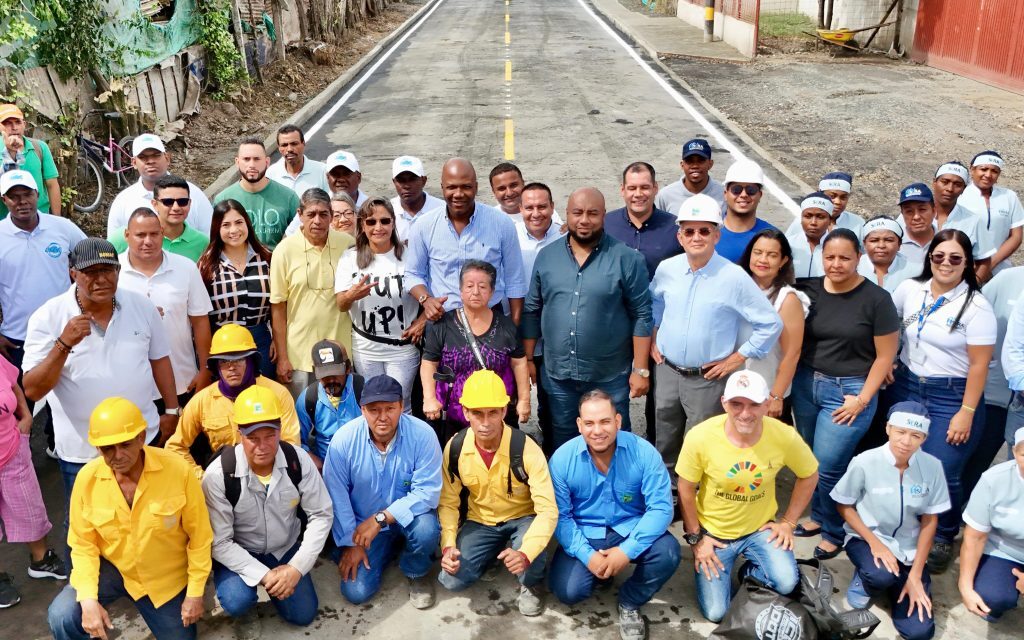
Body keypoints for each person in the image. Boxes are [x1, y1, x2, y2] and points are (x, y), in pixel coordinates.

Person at [22, 238, 179, 496]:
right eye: (90, 272)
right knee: (88, 530)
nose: (101, 280)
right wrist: (63, 343)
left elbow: (160, 359)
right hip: (83, 453)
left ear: (118, 271)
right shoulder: (48, 316)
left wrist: (172, 410)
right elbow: (33, 390)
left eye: (107, 270)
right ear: (73, 274)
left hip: (141, 441)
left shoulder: (141, 306)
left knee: (152, 520)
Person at [47, 397, 212, 640]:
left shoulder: (177, 470)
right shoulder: (86, 480)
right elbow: (83, 545)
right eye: (107, 449)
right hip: (114, 570)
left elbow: (200, 537)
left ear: (142, 438)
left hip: (164, 580)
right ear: (97, 449)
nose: (118, 455)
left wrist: (195, 593)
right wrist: (88, 600)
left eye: (125, 445)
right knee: (62, 614)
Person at [888, 229, 996, 574]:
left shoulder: (977, 307)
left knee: (945, 470)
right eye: (939, 256)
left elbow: (979, 365)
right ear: (929, 258)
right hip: (906, 385)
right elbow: (892, 329)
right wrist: (890, 359)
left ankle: (944, 533)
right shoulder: (909, 289)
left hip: (951, 395)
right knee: (902, 458)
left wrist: (966, 412)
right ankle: (903, 519)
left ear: (967, 264)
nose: (945, 264)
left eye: (955, 258)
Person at [650, 194, 781, 469]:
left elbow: (770, 323)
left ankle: (696, 494)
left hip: (707, 378)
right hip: (667, 370)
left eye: (704, 230)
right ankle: (669, 490)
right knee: (665, 434)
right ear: (680, 237)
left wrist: (736, 359)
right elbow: (655, 304)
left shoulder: (733, 277)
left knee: (702, 439)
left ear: (717, 235)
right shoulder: (667, 270)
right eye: (689, 231)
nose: (696, 237)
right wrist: (654, 337)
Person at [791, 229, 900, 560]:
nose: (836, 264)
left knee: (829, 466)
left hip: (850, 392)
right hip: (807, 385)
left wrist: (863, 399)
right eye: (830, 257)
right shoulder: (806, 290)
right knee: (811, 460)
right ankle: (819, 517)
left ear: (859, 258)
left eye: (844, 258)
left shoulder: (877, 300)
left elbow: (885, 357)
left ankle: (834, 530)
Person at [677, 370, 818, 622]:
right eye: (736, 404)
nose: (745, 413)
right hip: (714, 534)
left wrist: (788, 522)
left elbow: (809, 474)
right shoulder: (700, 437)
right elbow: (686, 489)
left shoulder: (783, 435)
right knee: (716, 612)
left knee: (786, 582)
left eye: (754, 404)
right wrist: (696, 538)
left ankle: (750, 573)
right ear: (723, 403)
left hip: (759, 529)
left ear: (767, 404)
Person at [522, 187, 652, 451]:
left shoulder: (627, 259)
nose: (584, 220)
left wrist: (640, 369)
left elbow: (642, 314)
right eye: (577, 213)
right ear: (566, 214)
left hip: (609, 375)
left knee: (612, 441)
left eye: (592, 213)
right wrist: (527, 360)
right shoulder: (547, 257)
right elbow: (532, 310)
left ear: (604, 215)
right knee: (563, 443)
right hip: (558, 376)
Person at [548, 391, 680, 640]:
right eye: (589, 423)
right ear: (579, 425)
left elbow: (661, 508)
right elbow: (561, 517)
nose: (597, 430)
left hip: (630, 528)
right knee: (568, 591)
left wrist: (626, 551)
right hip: (586, 533)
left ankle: (630, 601)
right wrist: (588, 556)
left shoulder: (644, 453)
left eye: (605, 421)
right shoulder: (562, 460)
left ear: (618, 421)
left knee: (668, 553)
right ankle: (600, 572)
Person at [202, 385, 333, 627]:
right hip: (243, 549)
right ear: (239, 433)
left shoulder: (298, 460)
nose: (262, 446)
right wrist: (265, 575)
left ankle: (280, 584)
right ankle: (247, 606)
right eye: (252, 438)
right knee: (236, 600)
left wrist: (296, 568)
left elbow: (321, 514)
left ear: (280, 430)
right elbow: (219, 542)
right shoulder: (218, 475)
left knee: (303, 615)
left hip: (285, 547)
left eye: (270, 435)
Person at [438, 370, 557, 616]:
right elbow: (448, 503)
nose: (485, 422)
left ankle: (532, 584)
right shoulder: (455, 448)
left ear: (504, 411)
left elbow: (547, 510)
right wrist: (448, 545)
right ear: (465, 412)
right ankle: (491, 552)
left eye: (493, 412)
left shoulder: (526, 449)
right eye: (477, 413)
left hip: (523, 517)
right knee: (451, 579)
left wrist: (526, 553)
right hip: (480, 521)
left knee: (530, 555)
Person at [322, 375, 443, 608]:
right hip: (362, 525)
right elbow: (336, 496)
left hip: (405, 518)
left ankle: (417, 571)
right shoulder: (343, 441)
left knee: (427, 530)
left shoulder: (423, 435)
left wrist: (381, 518)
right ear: (362, 410)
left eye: (390, 408)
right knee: (356, 592)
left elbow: (427, 492)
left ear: (401, 406)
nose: (383, 417)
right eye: (374, 409)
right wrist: (351, 543)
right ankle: (383, 550)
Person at [832, 402, 949, 640]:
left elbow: (930, 520)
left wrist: (916, 575)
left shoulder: (933, 467)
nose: (906, 441)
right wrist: (875, 543)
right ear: (888, 429)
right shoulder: (865, 461)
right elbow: (844, 504)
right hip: (866, 539)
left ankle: (901, 579)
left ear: (924, 437)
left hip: (909, 549)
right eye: (900, 432)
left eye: (916, 435)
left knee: (920, 632)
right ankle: (866, 580)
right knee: (880, 574)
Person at [406, 157, 527, 322]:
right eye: (451, 187)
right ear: (442, 188)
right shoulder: (423, 226)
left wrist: (514, 328)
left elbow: (515, 280)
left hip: (490, 320)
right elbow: (413, 274)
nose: (458, 194)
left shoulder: (501, 224)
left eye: (466, 187)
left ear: (476, 187)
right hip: (443, 320)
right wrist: (426, 300)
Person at [166, 324, 299, 473]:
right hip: (224, 480)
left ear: (251, 361)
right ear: (216, 366)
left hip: (270, 475)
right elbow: (174, 447)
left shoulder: (278, 394)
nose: (231, 367)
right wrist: (202, 479)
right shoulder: (202, 400)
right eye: (224, 361)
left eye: (239, 360)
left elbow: (291, 445)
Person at [421, 260, 530, 440]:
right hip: (454, 414)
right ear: (461, 290)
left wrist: (524, 400)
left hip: (496, 414)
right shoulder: (443, 325)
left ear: (492, 292)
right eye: (470, 286)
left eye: (483, 287)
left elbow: (519, 363)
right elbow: (428, 363)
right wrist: (429, 398)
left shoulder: (506, 326)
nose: (476, 292)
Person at [117, 208, 213, 410]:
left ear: (162, 233)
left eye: (154, 234)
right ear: (127, 235)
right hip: (130, 388)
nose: (148, 241)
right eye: (140, 235)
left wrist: (205, 369)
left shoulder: (185, 268)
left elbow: (200, 321)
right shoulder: (113, 272)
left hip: (183, 382)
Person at [0, 170, 85, 392]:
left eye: (27, 194)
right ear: (4, 200)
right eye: (14, 196)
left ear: (37, 194)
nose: (22, 202)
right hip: (18, 338)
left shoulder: (62, 227)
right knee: (24, 402)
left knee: (70, 398)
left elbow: (91, 258)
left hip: (67, 329)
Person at [335, 197, 424, 409]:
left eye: (385, 221)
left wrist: (422, 321)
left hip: (402, 347)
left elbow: (431, 296)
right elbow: (341, 304)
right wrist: (351, 295)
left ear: (393, 223)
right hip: (366, 347)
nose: (378, 227)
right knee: (372, 404)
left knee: (401, 405)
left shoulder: (410, 256)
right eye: (371, 222)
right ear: (362, 226)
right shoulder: (350, 258)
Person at [270, 188, 355, 398]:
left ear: (331, 216)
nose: (317, 220)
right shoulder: (284, 251)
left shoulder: (347, 245)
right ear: (300, 214)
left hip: (340, 351)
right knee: (302, 418)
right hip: (299, 354)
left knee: (340, 412)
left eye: (324, 214)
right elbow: (278, 307)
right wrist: (282, 357)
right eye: (311, 214)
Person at [0, 354, 67, 609]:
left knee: (30, 507)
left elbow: (14, 384)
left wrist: (26, 416)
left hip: (13, 447)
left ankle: (41, 560)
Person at [197, 200, 276, 379]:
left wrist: (278, 341)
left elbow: (279, 305)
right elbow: (201, 313)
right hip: (223, 344)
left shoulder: (267, 258)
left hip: (261, 340)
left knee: (263, 393)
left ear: (247, 223)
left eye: (239, 222)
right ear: (217, 228)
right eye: (226, 225)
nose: (234, 230)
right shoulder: (206, 264)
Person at [966, 265, 1024, 500]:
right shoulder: (1010, 278)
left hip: (1011, 399)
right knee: (1010, 471)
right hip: (1004, 393)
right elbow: (1014, 347)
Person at [515, 182, 564, 453]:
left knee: (551, 398)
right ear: (520, 209)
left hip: (554, 334)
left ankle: (552, 451)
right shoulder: (510, 237)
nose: (536, 213)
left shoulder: (565, 237)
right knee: (515, 396)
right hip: (519, 330)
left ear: (552, 208)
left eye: (542, 206)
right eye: (530, 207)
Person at [741, 228, 809, 421]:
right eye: (758, 252)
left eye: (772, 255)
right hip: (734, 387)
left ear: (783, 261)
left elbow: (792, 353)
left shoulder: (787, 299)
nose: (763, 260)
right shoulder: (736, 286)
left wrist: (776, 395)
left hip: (766, 392)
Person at [958, 426, 1024, 622]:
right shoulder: (994, 480)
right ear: (1014, 452)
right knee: (992, 598)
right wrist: (965, 586)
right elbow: (974, 537)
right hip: (1004, 550)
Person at [106, 133, 212, 236]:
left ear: (167, 158)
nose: (150, 161)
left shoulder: (193, 194)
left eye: (156, 156)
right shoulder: (123, 201)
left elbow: (211, 235)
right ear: (134, 163)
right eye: (143, 157)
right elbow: (113, 247)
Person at [214, 137, 301, 249]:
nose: (252, 165)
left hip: (277, 264)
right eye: (246, 159)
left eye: (256, 159)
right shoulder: (223, 199)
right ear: (237, 162)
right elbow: (217, 242)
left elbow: (300, 238)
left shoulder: (289, 197)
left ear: (267, 162)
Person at [604, 161, 682, 281]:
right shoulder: (605, 225)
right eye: (632, 188)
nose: (638, 194)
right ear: (622, 190)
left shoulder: (675, 228)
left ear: (655, 188)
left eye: (644, 187)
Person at [295, 340, 364, 470]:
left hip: (362, 466)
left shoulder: (363, 390)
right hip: (327, 467)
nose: (331, 380)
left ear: (348, 368)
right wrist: (310, 458)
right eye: (324, 375)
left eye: (335, 373)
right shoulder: (309, 398)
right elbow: (296, 439)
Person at [110, 176, 210, 262]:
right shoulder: (127, 236)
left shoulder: (203, 243)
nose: (176, 208)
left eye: (182, 201)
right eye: (168, 202)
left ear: (189, 203)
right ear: (155, 204)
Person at [957, 151, 1023, 278]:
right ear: (972, 169)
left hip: (1000, 269)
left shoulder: (1009, 197)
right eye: (983, 169)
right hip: (964, 270)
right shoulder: (960, 196)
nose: (988, 175)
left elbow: (1016, 237)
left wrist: (989, 266)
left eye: (994, 171)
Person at [932, 162, 993, 276]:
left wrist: (971, 287)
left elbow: (984, 261)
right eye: (944, 182)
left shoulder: (974, 221)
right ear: (934, 183)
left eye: (957, 184)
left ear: (964, 189)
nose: (950, 189)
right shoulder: (914, 216)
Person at [0, 103, 61, 217]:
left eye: (18, 122)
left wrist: (56, 220)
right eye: (7, 123)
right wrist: (11, 152)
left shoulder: (40, 147)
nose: (14, 127)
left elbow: (52, 185)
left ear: (24, 124)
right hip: (4, 224)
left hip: (40, 219)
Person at [717, 159, 776, 263]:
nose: (743, 195)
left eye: (751, 190)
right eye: (736, 189)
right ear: (725, 194)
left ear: (760, 195)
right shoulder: (706, 233)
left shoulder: (773, 237)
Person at [655, 137, 725, 214]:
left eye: (701, 160)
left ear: (710, 164)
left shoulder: (724, 194)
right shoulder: (665, 195)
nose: (695, 166)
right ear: (682, 165)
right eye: (689, 161)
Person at [785, 171, 864, 237]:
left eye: (843, 197)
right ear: (821, 195)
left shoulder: (858, 223)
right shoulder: (802, 222)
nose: (838, 202)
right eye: (832, 196)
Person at [857, 216, 919, 294]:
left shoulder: (916, 272)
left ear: (899, 244)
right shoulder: (853, 267)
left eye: (889, 240)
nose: (881, 245)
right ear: (864, 244)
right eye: (874, 240)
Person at [390, 155, 444, 240]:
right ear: (394, 182)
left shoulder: (442, 210)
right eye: (400, 180)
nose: (407, 186)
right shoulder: (386, 211)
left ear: (424, 181)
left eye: (412, 179)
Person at [266, 124, 329, 197]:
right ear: (279, 148)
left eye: (294, 144)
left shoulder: (322, 171)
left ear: (303, 143)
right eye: (284, 145)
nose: (289, 149)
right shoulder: (271, 173)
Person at [787, 192, 833, 278]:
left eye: (820, 217)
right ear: (801, 218)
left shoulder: (837, 247)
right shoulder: (788, 244)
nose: (813, 222)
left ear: (830, 220)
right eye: (808, 216)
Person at [896, 183, 940, 265]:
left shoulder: (946, 242)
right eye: (909, 211)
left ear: (934, 211)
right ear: (902, 214)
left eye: (922, 209)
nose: (916, 217)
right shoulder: (893, 244)